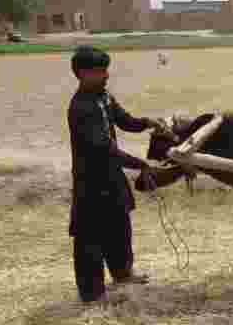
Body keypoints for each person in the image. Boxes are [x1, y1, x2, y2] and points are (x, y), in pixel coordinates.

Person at [67, 45, 166, 304]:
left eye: (105, 69)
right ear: (82, 74)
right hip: (91, 179)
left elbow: (125, 121)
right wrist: (140, 164)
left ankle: (122, 273)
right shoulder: (82, 108)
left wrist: (148, 122)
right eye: (100, 71)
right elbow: (103, 149)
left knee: (119, 226)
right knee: (90, 235)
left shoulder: (104, 96)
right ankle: (92, 293)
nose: (106, 75)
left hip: (111, 176)